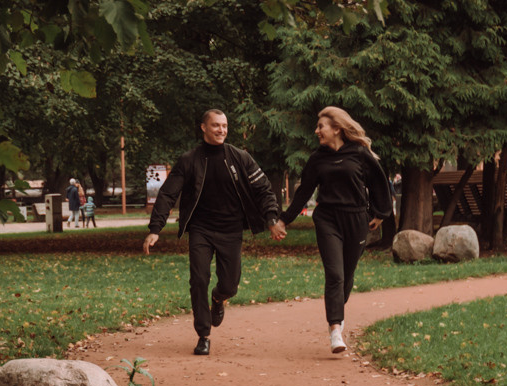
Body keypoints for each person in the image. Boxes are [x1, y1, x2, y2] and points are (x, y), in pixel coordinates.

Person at [143, 110, 286, 355]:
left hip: (231, 230)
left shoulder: (240, 157)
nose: (221, 130)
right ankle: (203, 335)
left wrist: (272, 219)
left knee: (229, 285)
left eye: (224, 126)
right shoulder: (189, 160)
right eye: (216, 125)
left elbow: (263, 189)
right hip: (201, 230)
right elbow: (167, 194)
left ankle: (219, 299)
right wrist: (155, 228)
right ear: (203, 127)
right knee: (199, 279)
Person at [286, 106, 393, 356]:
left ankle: (337, 312)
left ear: (336, 129)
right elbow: (303, 192)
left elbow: (379, 183)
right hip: (327, 219)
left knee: (347, 273)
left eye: (320, 126)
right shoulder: (317, 159)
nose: (317, 131)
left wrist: (379, 213)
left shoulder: (359, 154)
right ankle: (335, 329)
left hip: (356, 219)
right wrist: (284, 220)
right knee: (335, 274)